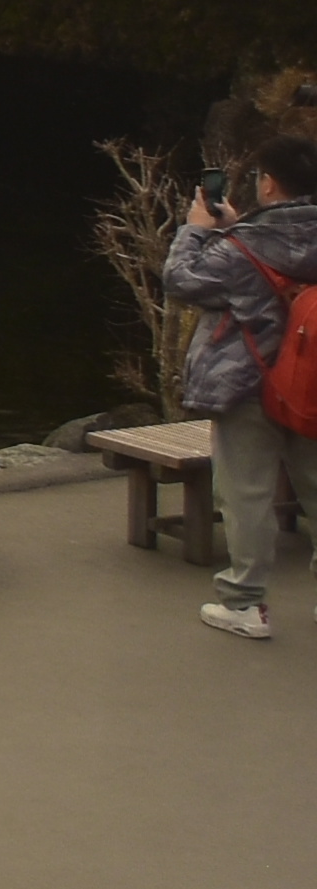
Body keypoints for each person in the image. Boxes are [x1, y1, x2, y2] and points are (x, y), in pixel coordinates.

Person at [160, 134, 317, 642]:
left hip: (247, 382)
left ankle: (246, 603)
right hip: (313, 382)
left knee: (247, 495)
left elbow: (181, 279)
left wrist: (195, 229)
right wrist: (237, 226)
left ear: (267, 183)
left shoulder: (240, 249)